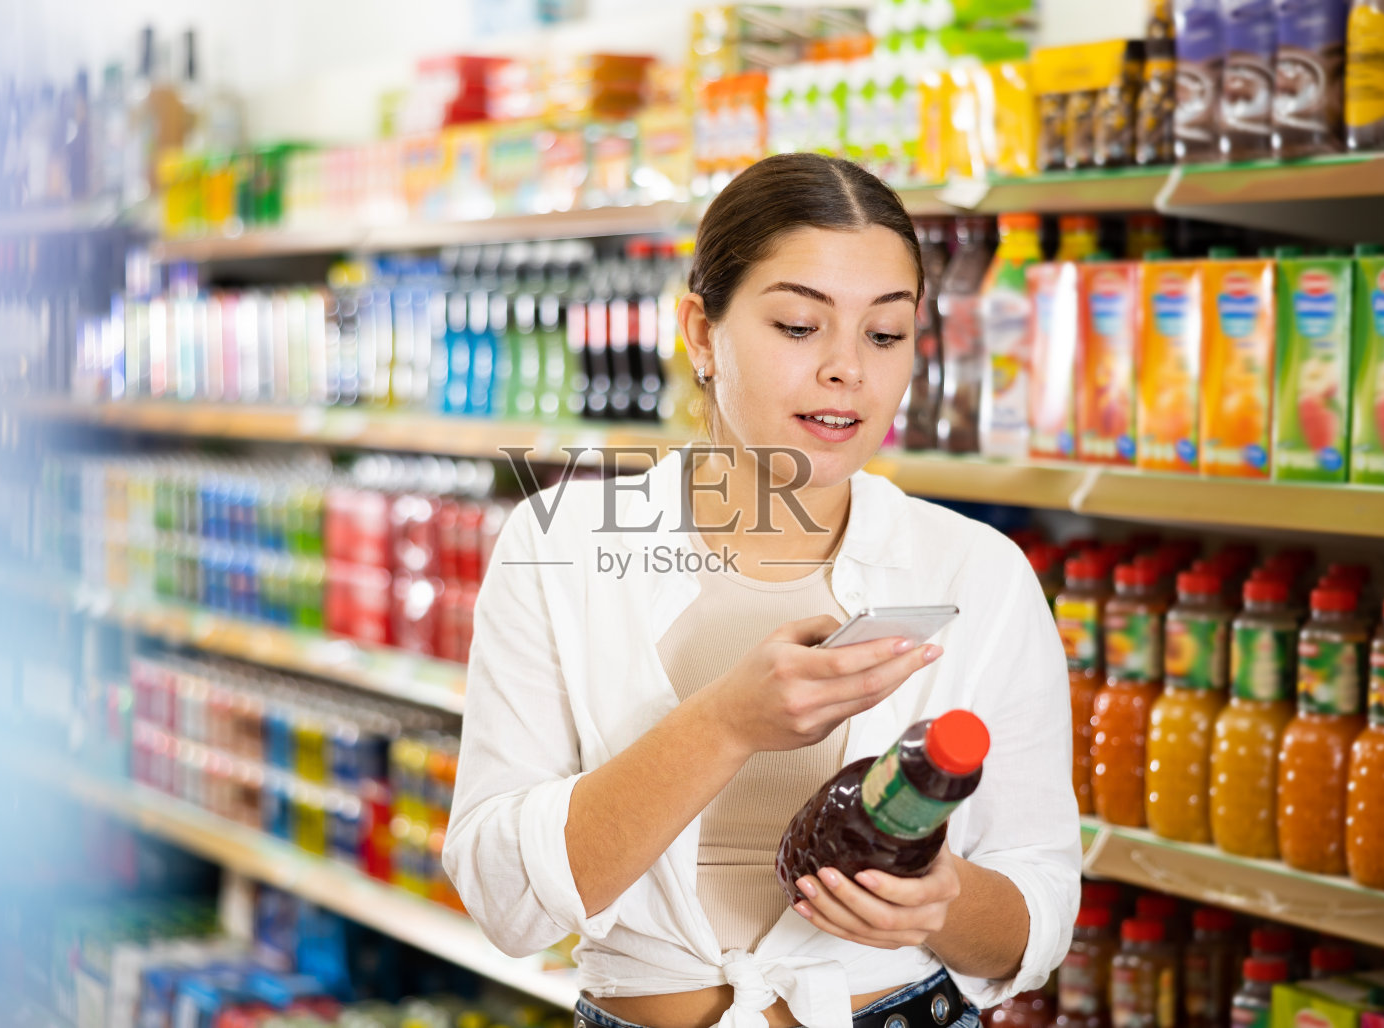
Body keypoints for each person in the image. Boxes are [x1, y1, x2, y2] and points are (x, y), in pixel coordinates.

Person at [441, 153, 1081, 1028]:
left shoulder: (980, 572)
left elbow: (1036, 917)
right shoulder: (562, 546)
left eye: (885, 335)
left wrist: (942, 900)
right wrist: (725, 723)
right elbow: (502, 900)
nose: (848, 369)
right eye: (799, 326)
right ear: (702, 333)